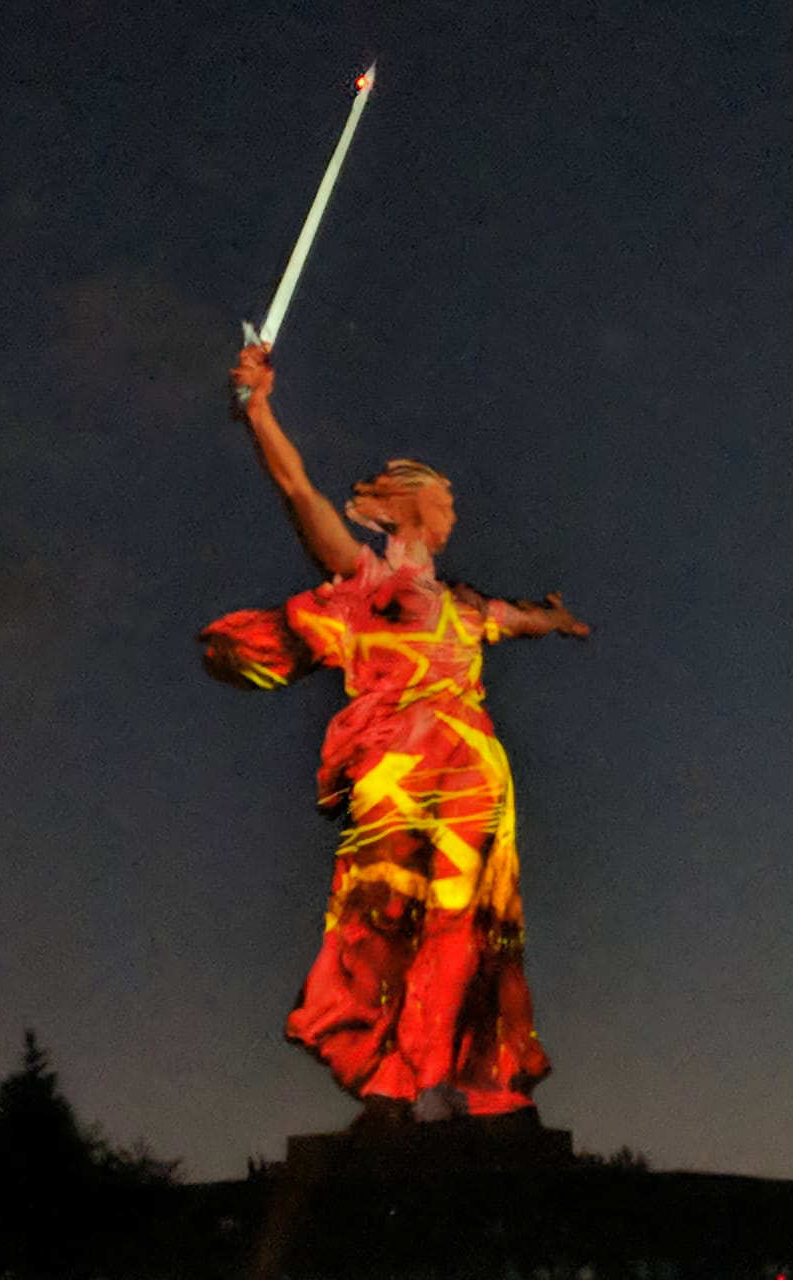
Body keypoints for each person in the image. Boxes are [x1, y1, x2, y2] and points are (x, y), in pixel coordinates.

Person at [200, 344, 592, 1124]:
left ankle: (463, 1078)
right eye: (444, 504)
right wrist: (259, 410)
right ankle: (385, 1080)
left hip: (474, 773)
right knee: (383, 915)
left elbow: (513, 619)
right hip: (397, 769)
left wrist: (553, 618)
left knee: (472, 926)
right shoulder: (368, 579)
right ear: (410, 507)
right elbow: (297, 490)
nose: (455, 515)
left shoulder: (462, 604)